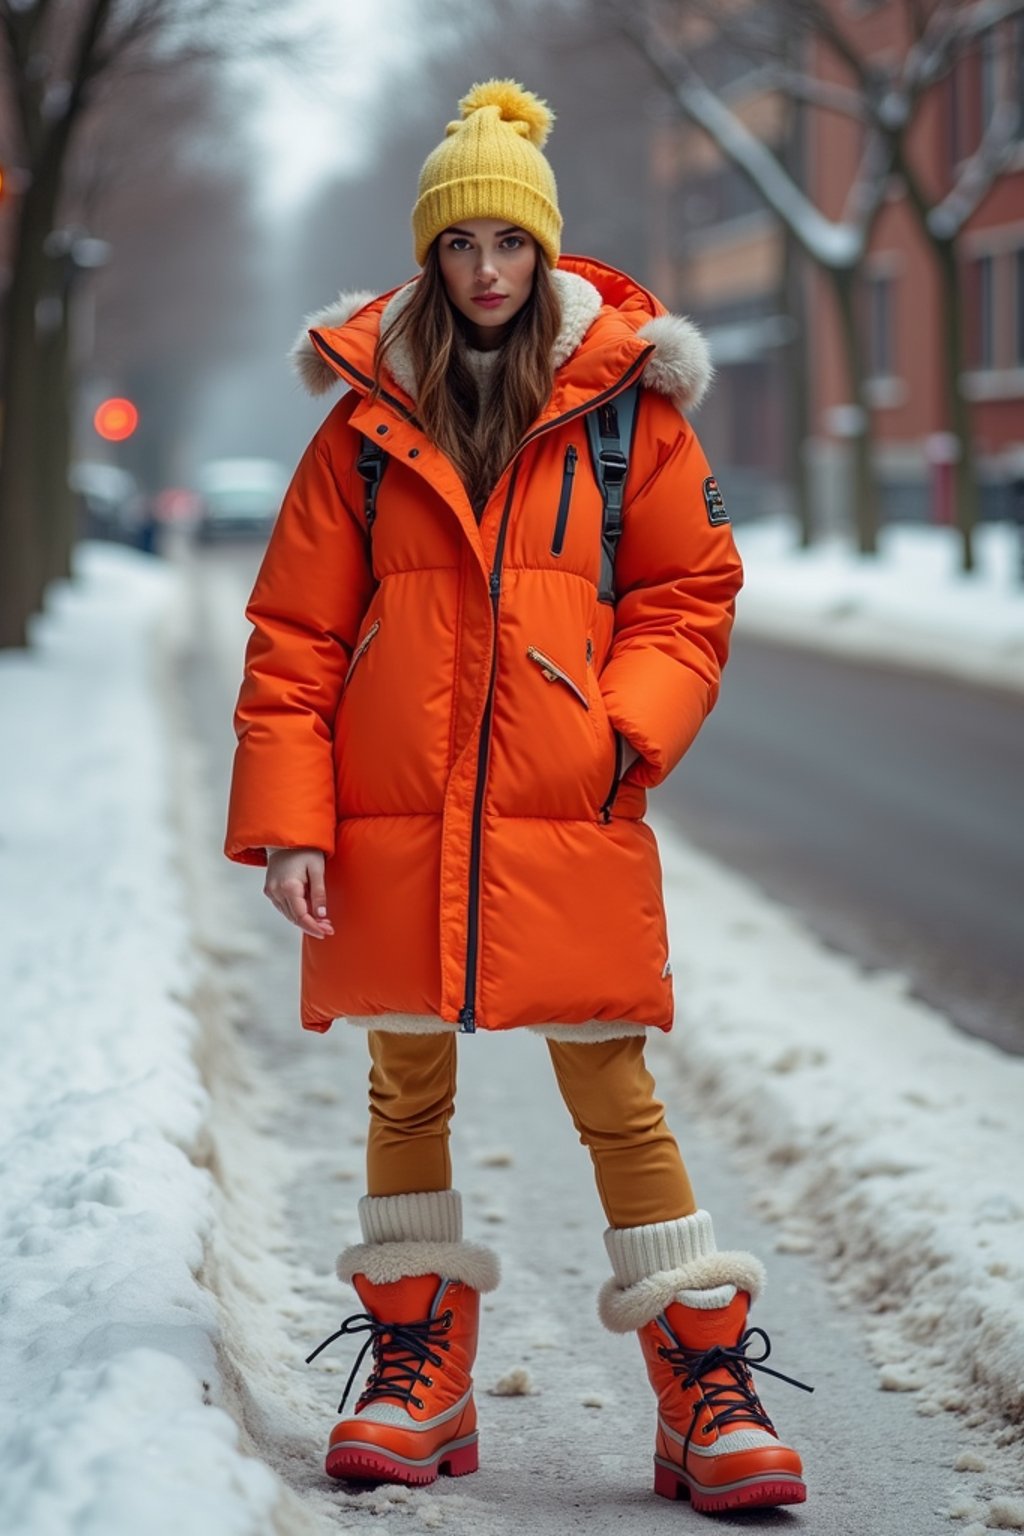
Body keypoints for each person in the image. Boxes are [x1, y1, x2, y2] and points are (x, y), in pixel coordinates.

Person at [225, 79, 810, 1515]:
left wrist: (623, 736)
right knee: (405, 1076)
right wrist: (294, 818)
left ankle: (702, 1394)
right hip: (396, 815)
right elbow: (294, 635)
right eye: (460, 244)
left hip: (568, 809)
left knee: (613, 1083)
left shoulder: (630, 419)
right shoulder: (363, 429)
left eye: (510, 242)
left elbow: (690, 594)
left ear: (545, 252)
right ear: (429, 258)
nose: (486, 270)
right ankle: (419, 1375)